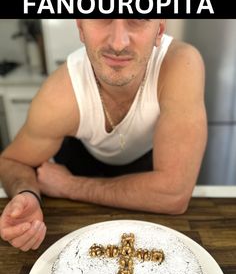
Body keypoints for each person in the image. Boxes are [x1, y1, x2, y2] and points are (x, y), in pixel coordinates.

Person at [0, 19, 207, 251]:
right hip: (80, 163)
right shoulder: (60, 94)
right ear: (81, 28)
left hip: (144, 168)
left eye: (137, 19)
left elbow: (174, 194)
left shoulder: (181, 63)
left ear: (159, 30)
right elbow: (12, 161)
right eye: (101, 17)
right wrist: (26, 193)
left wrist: (70, 186)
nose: (118, 43)